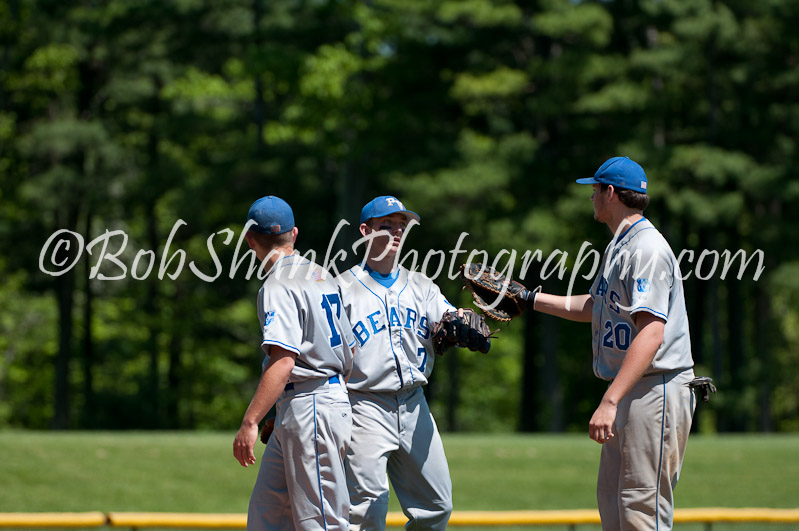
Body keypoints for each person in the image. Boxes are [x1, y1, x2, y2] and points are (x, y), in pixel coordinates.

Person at [529, 157, 696, 530]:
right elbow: (595, 307)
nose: (591, 197)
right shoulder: (622, 245)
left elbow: (651, 332)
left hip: (654, 387)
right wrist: (528, 298)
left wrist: (610, 400)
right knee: (615, 511)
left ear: (610, 193)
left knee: (641, 511)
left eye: (594, 190)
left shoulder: (646, 249)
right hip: (633, 387)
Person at [337, 196, 462, 531]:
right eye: (386, 225)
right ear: (365, 231)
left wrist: (464, 320)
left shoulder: (422, 286)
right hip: (364, 405)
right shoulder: (341, 290)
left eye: (401, 226)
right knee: (366, 511)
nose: (396, 232)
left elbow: (451, 318)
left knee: (437, 506)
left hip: (414, 405)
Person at [233, 195, 356, 531]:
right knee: (268, 515)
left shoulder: (277, 284)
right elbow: (352, 350)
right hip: (307, 404)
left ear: (249, 238)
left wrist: (251, 421)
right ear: (294, 234)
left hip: (311, 408)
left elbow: (284, 360)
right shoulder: (321, 275)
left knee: (322, 524)